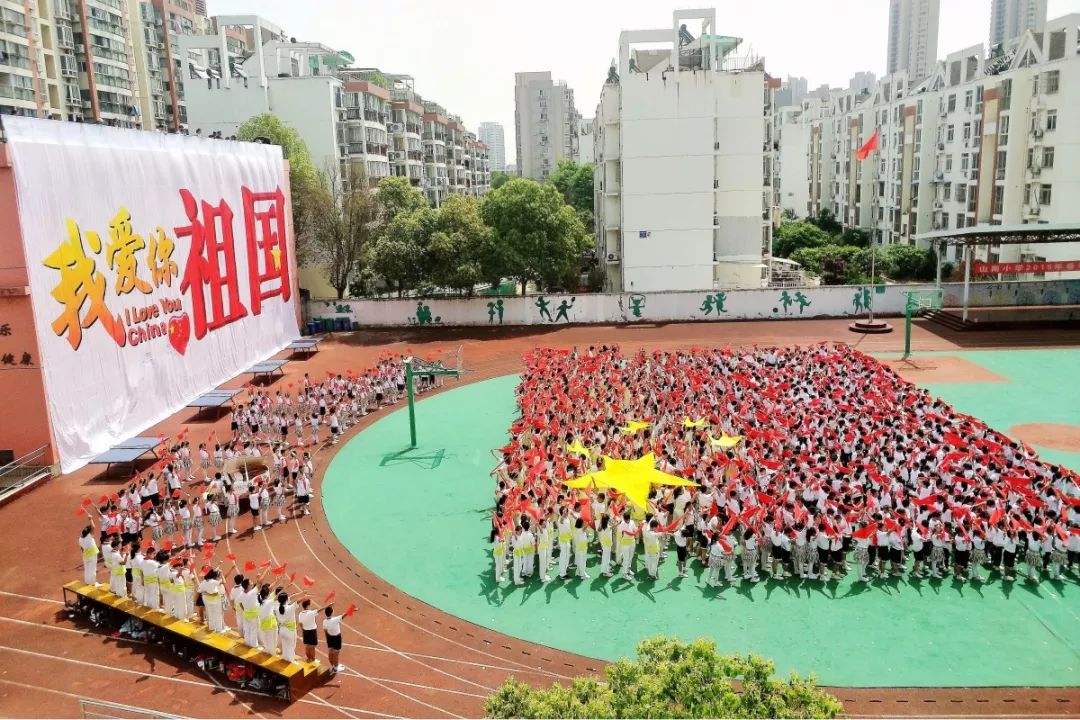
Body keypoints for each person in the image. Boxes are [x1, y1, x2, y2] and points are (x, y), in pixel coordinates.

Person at [200, 569, 228, 633]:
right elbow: (224, 581)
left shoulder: (203, 582)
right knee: (218, 615)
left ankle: (211, 628)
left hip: (208, 600)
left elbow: (200, 591)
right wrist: (221, 573)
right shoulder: (213, 581)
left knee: (210, 614)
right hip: (216, 600)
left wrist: (208, 593)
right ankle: (219, 630)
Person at [275, 592, 299, 662]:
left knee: (285, 647)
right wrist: (305, 595)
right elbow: (298, 601)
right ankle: (290, 662)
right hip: (290, 631)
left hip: (282, 630)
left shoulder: (277, 608)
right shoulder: (290, 608)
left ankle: (285, 659)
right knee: (291, 648)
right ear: (286, 600)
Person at [323, 605, 344, 672]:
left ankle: (332, 665)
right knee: (336, 653)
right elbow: (344, 615)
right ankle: (336, 667)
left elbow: (325, 631)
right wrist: (352, 609)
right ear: (332, 613)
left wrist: (327, 639)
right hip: (337, 638)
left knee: (330, 652)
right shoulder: (336, 619)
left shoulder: (324, 621)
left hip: (329, 637)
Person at [298, 598, 320, 663]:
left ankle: (308, 658)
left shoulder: (300, 614)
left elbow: (300, 623)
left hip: (305, 631)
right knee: (312, 646)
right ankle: (312, 659)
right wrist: (329, 605)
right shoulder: (311, 613)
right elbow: (320, 610)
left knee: (307, 645)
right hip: (312, 631)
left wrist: (303, 630)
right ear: (308, 606)